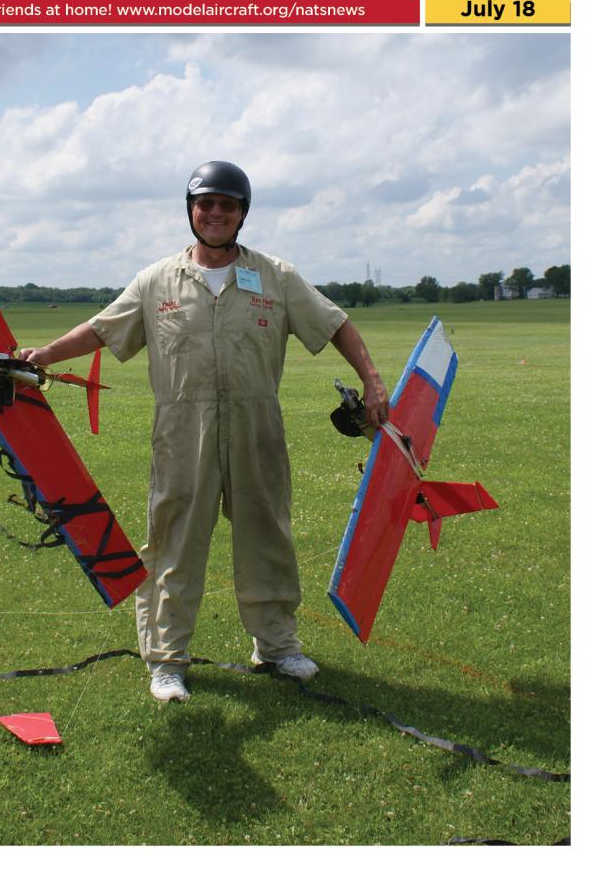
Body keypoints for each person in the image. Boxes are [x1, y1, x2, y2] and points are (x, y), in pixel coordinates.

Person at [20, 161, 389, 703]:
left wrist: (373, 382)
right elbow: (101, 329)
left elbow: (336, 324)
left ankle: (277, 646)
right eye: (206, 204)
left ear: (242, 213)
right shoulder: (156, 281)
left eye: (227, 205)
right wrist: (46, 355)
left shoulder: (276, 277)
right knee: (173, 542)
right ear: (191, 211)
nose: (216, 213)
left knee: (268, 536)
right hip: (181, 432)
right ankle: (166, 660)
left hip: (257, 427)